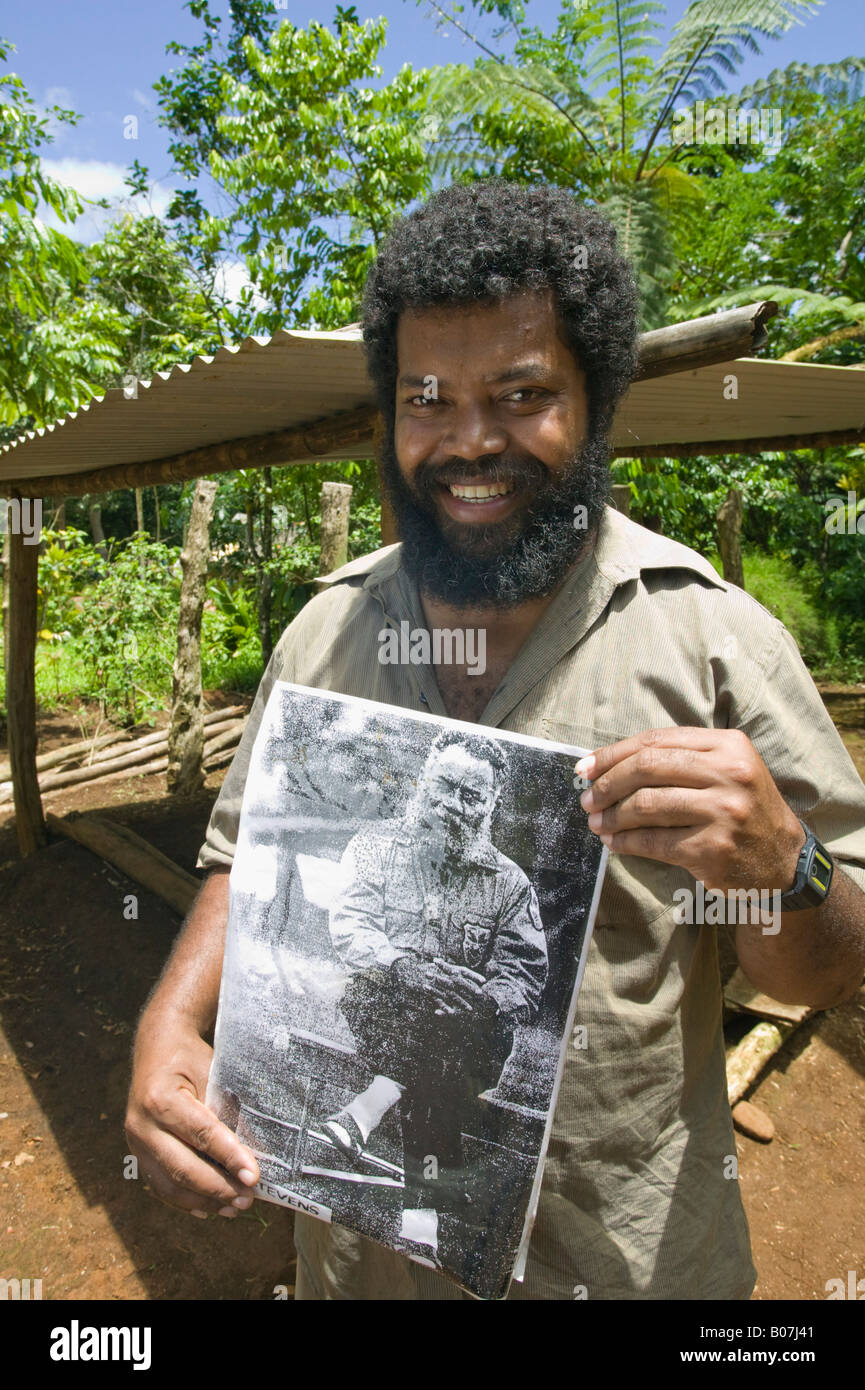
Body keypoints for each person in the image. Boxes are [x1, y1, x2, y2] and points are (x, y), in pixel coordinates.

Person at [126, 180, 865, 1300]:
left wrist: (785, 869)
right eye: (428, 400)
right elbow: (245, 858)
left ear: (594, 402)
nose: (470, 443)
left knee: (458, 1030)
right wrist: (172, 1024)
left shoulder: (712, 644)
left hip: (616, 1264)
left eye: (522, 395)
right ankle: (384, 1140)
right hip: (359, 1267)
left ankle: (385, 1128)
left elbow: (834, 965)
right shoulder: (326, 634)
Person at [320, 729, 548, 1267]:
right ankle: (425, 1209)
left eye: (471, 796)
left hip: (471, 1036)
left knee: (452, 1033)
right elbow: (350, 925)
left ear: (492, 804)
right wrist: (403, 967)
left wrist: (485, 1002)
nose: (453, 805)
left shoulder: (510, 885)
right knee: (426, 1040)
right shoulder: (377, 847)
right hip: (384, 1010)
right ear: (424, 782)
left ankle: (368, 1107)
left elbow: (525, 973)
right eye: (445, 787)